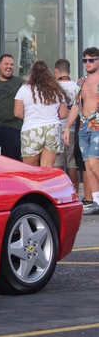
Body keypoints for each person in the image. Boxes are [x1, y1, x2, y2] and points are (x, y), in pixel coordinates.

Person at [64, 47, 99, 215]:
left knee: (94, 163)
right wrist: (66, 127)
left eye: (91, 59)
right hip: (83, 127)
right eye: (85, 60)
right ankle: (96, 201)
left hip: (97, 125)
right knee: (87, 165)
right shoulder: (81, 81)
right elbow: (76, 106)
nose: (87, 63)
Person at [13, 61, 67, 167]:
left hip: (31, 129)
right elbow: (63, 114)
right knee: (47, 169)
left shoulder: (24, 89)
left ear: (32, 73)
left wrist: (30, 116)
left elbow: (17, 113)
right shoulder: (56, 89)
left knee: (30, 170)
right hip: (52, 128)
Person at [53, 59, 81, 193]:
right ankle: (74, 193)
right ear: (69, 71)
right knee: (72, 164)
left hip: (57, 129)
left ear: (56, 71)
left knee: (57, 164)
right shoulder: (77, 86)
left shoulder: (52, 87)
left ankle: (59, 194)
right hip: (72, 129)